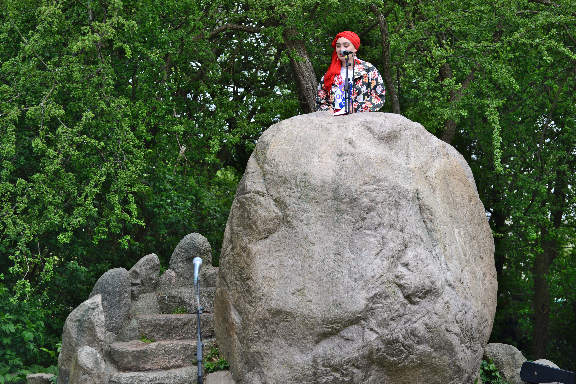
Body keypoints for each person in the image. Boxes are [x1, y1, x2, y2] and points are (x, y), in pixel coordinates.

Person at [316, 31, 385, 114]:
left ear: (355, 48)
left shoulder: (368, 70)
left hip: (361, 121)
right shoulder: (330, 73)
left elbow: (379, 97)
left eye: (346, 45)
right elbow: (320, 101)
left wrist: (356, 107)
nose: (341, 49)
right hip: (334, 122)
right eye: (338, 46)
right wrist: (327, 111)